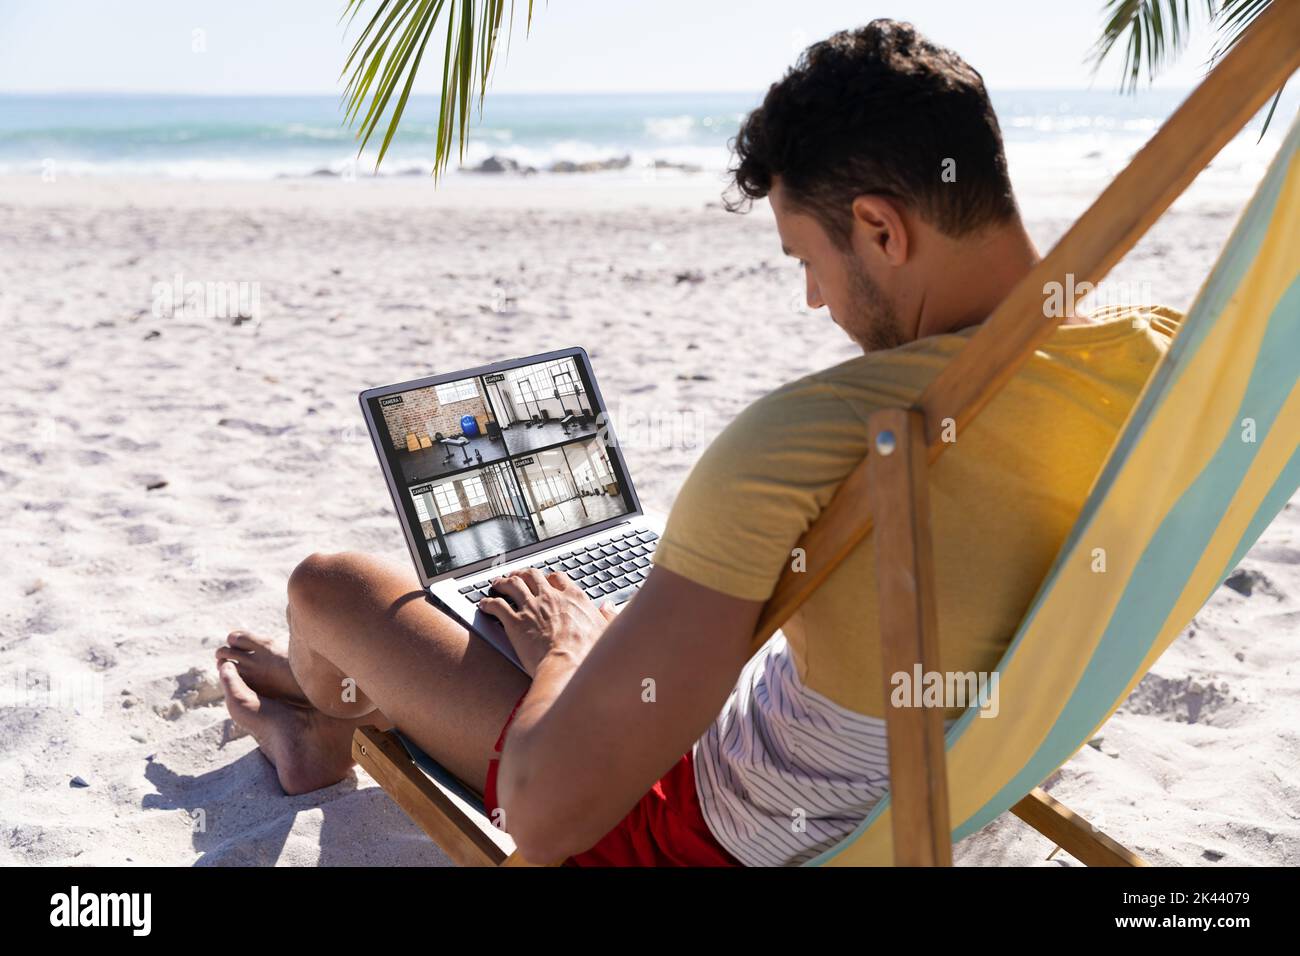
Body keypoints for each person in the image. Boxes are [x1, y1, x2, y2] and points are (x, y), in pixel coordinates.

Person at [216, 18, 1180, 866]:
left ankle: (321, 715)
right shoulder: (1163, 361)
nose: (817, 301)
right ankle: (323, 700)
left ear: (881, 228)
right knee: (535, 628)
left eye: (808, 260)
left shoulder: (823, 435)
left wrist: (570, 656)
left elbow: (551, 819)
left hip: (685, 831)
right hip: (954, 782)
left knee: (332, 588)